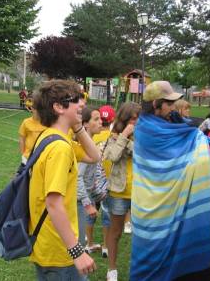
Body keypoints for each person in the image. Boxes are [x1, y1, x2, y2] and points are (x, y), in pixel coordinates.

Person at [130, 81, 210, 281]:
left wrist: (198, 138)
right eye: (169, 103)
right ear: (156, 103)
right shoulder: (146, 132)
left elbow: (185, 147)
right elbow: (177, 165)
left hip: (166, 207)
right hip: (152, 213)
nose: (174, 107)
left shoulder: (172, 124)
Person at [28, 80, 100, 281]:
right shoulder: (59, 148)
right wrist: (76, 251)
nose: (82, 104)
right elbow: (53, 203)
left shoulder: (52, 137)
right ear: (58, 107)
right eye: (75, 100)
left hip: (52, 243)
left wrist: (78, 128)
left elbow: (95, 156)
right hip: (59, 249)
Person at [104, 102, 141, 281]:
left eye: (137, 118)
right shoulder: (114, 137)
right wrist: (124, 136)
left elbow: (144, 154)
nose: (135, 122)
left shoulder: (144, 136)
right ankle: (112, 269)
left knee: (142, 234)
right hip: (119, 192)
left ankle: (141, 268)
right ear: (124, 119)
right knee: (116, 232)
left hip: (141, 193)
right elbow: (112, 156)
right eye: (132, 119)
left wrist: (128, 142)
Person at [77, 106, 110, 260]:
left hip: (87, 194)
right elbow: (78, 177)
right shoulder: (84, 146)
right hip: (80, 199)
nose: (100, 122)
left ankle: (87, 246)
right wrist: (87, 203)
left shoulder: (90, 142)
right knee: (76, 239)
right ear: (85, 124)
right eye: (96, 119)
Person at [18, 100, 46, 167]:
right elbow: (22, 138)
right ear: (32, 109)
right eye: (36, 109)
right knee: (23, 176)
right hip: (27, 158)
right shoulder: (26, 122)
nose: (39, 112)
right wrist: (23, 154)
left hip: (42, 159)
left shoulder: (47, 123)